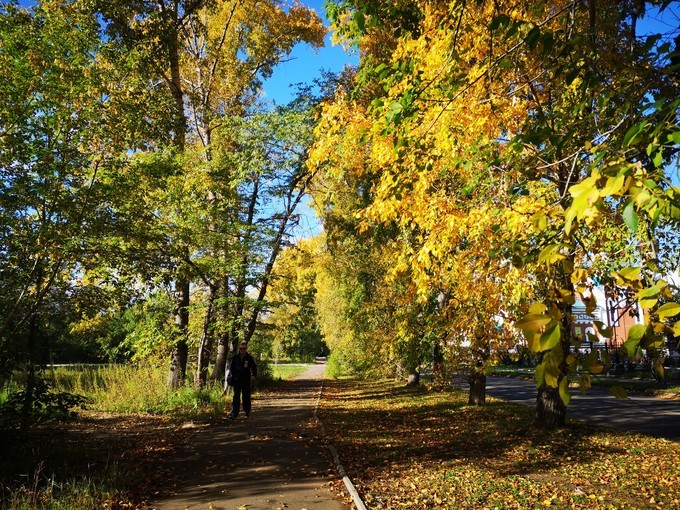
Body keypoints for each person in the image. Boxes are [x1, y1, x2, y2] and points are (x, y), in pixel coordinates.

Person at [227, 341, 257, 420]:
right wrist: (233, 376)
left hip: (246, 380)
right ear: (239, 349)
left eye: (244, 349)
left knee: (246, 396)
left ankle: (246, 411)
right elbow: (231, 368)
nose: (242, 350)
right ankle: (234, 413)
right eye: (241, 349)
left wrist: (254, 375)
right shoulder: (235, 358)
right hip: (237, 380)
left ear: (246, 349)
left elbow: (254, 367)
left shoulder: (249, 358)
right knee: (236, 397)